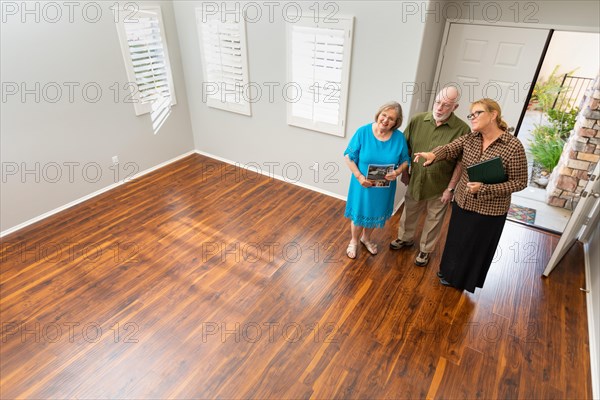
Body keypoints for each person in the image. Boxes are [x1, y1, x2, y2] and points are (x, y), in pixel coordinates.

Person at [413, 98, 528, 293]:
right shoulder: (471, 138)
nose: (473, 117)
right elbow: (451, 148)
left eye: (478, 113)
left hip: (490, 210)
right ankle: (447, 272)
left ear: (493, 115)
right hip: (463, 202)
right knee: (456, 241)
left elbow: (520, 182)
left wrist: (484, 189)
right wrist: (434, 154)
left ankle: (462, 281)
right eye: (471, 114)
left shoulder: (513, 146)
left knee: (475, 247)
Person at [390, 86, 470, 267]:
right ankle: (405, 238)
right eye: (438, 102)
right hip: (415, 179)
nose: (440, 108)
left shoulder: (462, 130)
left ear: (455, 108)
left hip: (440, 183)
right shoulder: (418, 120)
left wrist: (450, 188)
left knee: (435, 218)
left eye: (446, 105)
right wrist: (404, 172)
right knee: (409, 210)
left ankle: (425, 250)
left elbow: (460, 162)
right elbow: (405, 149)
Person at [344, 102, 410, 259]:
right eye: (384, 115)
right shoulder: (363, 132)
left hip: (383, 187)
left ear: (396, 122)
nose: (386, 120)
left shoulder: (399, 138)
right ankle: (353, 241)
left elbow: (405, 160)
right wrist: (360, 177)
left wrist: (398, 171)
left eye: (391, 118)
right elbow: (348, 156)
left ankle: (366, 238)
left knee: (374, 213)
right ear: (379, 114)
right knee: (359, 214)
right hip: (362, 183)